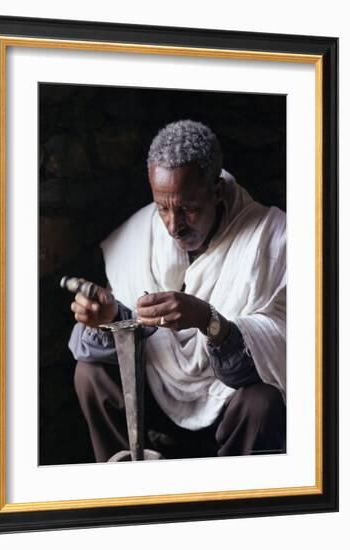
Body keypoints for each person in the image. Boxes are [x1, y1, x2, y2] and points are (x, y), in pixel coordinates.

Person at [68, 120, 286, 462]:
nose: (173, 225)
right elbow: (134, 335)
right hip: (157, 396)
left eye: (188, 208)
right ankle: (124, 490)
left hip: (228, 404)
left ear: (216, 192)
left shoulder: (272, 240)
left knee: (263, 403)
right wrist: (110, 317)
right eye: (163, 207)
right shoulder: (141, 235)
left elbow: (276, 356)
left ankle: (235, 503)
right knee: (91, 374)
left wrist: (207, 319)